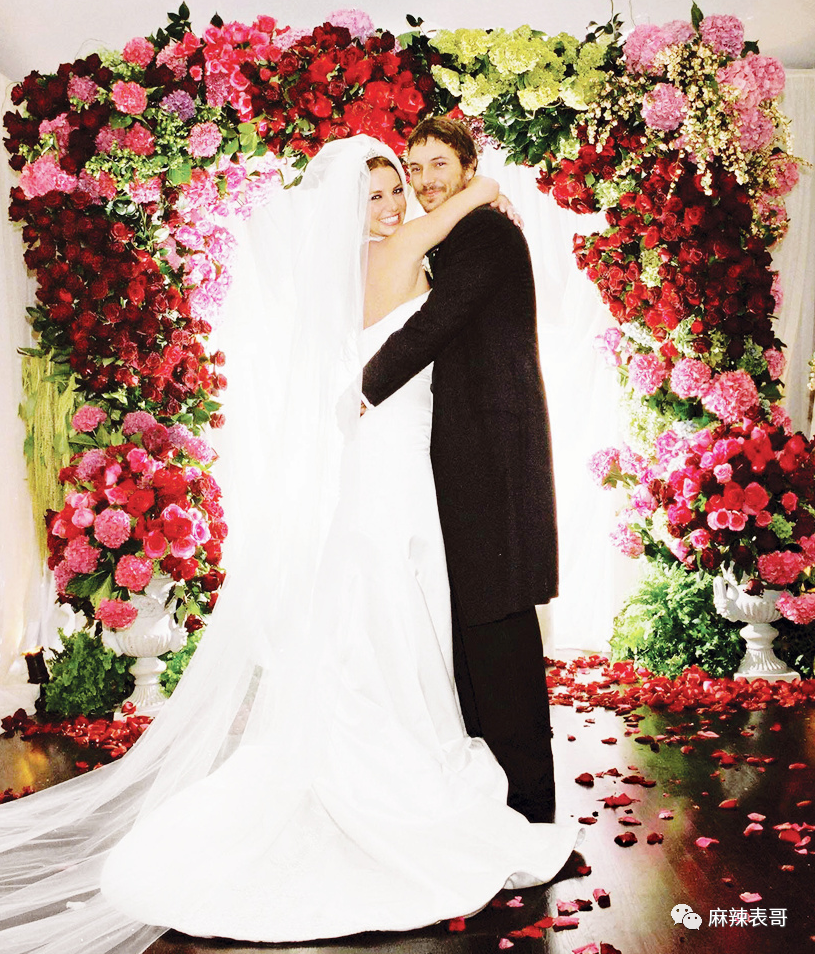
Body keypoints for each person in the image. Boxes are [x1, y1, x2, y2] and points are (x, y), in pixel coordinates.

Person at [0, 136, 577, 951]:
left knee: (398, 610)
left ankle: (413, 748)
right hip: (396, 463)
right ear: (348, 210)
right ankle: (401, 771)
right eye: (381, 191)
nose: (397, 201)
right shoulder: (403, 249)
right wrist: (482, 188)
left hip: (406, 461)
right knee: (394, 603)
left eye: (402, 185)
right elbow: (433, 306)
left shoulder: (363, 262)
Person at [362, 118, 559, 824]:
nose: (423, 181)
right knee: (473, 630)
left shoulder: (485, 234)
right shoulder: (453, 234)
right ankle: (495, 797)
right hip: (461, 457)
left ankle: (530, 805)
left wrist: (361, 389)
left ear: (469, 166)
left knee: (499, 628)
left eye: (437, 164)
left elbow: (435, 322)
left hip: (493, 459)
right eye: (414, 168)